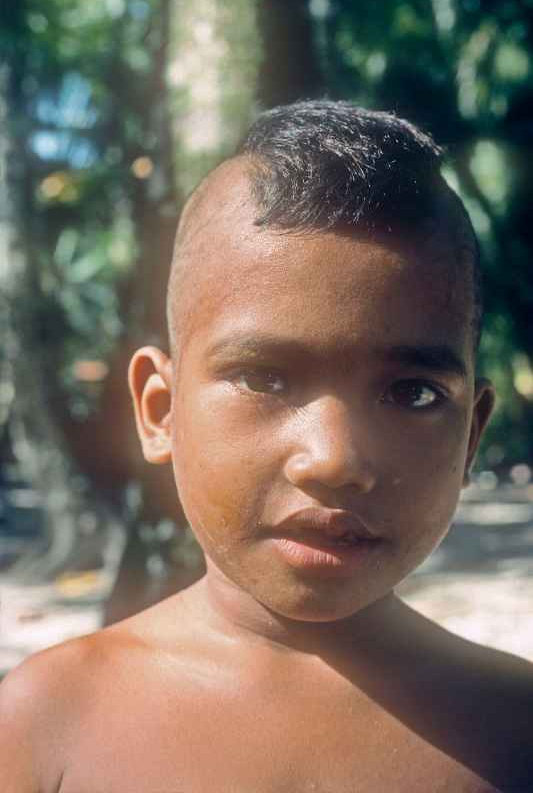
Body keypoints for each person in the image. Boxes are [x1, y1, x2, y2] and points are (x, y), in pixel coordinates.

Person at [1, 100, 532, 793]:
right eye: (262, 377)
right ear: (159, 410)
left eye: (411, 393)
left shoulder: (512, 728)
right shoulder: (46, 721)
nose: (334, 458)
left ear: (471, 435)